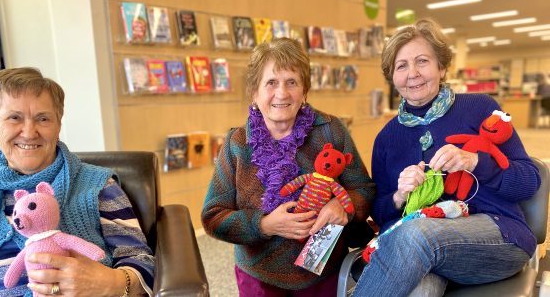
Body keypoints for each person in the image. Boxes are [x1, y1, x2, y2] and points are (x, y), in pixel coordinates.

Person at [351, 19, 542, 297]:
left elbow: (529, 182)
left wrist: (476, 162)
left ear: (442, 67)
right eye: (401, 66)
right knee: (419, 290)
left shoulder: (480, 108)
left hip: (497, 237)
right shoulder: (386, 138)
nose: (412, 73)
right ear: (392, 77)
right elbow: (381, 214)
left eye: (422, 61)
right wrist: (399, 196)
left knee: (417, 236)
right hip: (425, 252)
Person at [0, 67, 155, 296]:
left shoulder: (98, 186)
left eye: (43, 118)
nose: (29, 132)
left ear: (59, 124)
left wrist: (113, 283)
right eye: (14, 118)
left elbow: (142, 261)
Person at [201, 37, 375, 296]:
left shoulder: (330, 131)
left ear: (304, 90)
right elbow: (213, 217)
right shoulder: (237, 143)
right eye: (271, 83)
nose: (281, 93)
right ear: (254, 92)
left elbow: (364, 189)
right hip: (258, 274)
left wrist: (343, 207)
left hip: (322, 269)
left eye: (291, 82)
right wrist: (265, 224)